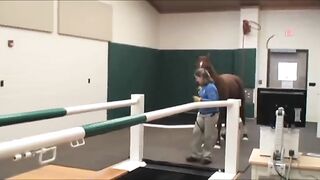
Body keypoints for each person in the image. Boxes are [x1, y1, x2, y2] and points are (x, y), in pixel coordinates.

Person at [186, 68, 219, 165]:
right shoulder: (202, 87)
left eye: (197, 78)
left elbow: (214, 102)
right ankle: (195, 155)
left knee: (208, 136)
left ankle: (207, 156)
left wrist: (201, 100)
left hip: (211, 115)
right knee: (196, 132)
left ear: (202, 77)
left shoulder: (211, 87)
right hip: (201, 114)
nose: (196, 80)